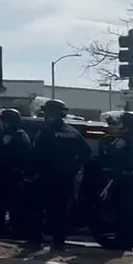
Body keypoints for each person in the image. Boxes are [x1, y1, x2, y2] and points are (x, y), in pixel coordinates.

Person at [30, 99, 90, 250]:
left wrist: (34, 173)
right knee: (60, 213)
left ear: (51, 113)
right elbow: (86, 153)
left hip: (46, 179)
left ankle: (36, 241)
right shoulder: (72, 132)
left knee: (37, 209)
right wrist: (74, 169)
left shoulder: (46, 132)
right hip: (66, 180)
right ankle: (58, 243)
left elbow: (36, 155)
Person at [107, 110, 133, 253]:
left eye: (122, 122)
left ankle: (124, 242)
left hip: (126, 180)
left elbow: (112, 154)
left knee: (124, 213)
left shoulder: (125, 140)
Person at [0, 108, 32, 236]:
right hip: (18, 176)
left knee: (4, 205)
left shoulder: (8, 135)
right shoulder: (22, 134)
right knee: (16, 206)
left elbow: (4, 155)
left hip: (8, 177)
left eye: (2, 120)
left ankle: (5, 231)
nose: (0, 124)